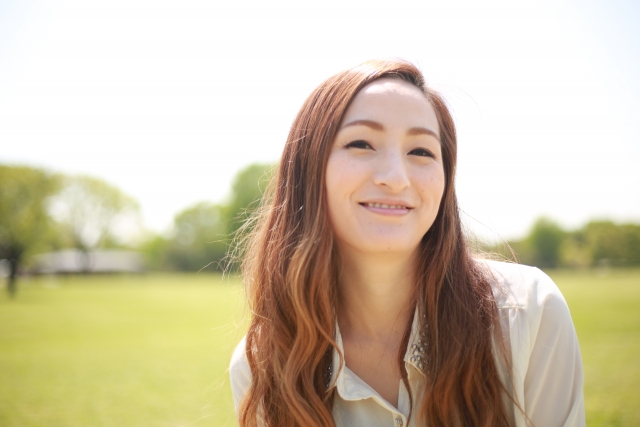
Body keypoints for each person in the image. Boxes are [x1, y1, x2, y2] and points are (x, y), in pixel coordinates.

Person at [229, 59, 585, 427]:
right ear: (307, 170)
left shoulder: (528, 313)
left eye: (421, 151)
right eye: (362, 143)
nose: (396, 178)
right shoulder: (263, 365)